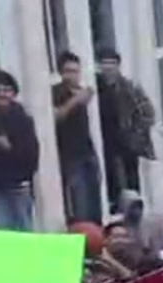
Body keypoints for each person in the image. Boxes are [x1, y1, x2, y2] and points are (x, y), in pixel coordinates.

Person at [0, 70, 40, 231]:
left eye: (6, 90)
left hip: (18, 184)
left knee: (23, 229)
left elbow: (32, 155)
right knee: (1, 229)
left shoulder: (22, 119)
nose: (2, 94)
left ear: (13, 94)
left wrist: (10, 148)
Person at [97, 48, 156, 206]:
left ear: (118, 66)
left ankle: (134, 207)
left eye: (112, 64)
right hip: (104, 141)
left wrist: (136, 135)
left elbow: (148, 113)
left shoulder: (129, 88)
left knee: (130, 178)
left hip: (127, 142)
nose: (108, 69)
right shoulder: (95, 88)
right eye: (104, 64)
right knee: (110, 179)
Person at [52, 51, 102, 224]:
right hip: (70, 155)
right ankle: (83, 230)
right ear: (61, 72)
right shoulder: (56, 92)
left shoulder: (80, 91)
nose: (72, 76)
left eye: (75, 71)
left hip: (87, 150)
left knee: (94, 194)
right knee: (79, 200)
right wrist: (74, 101)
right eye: (68, 71)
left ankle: (97, 229)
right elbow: (56, 116)